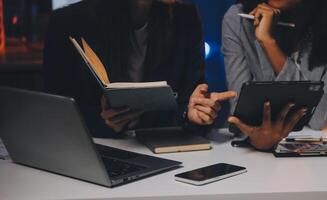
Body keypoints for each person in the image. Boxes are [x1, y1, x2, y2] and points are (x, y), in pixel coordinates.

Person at [44, 0, 236, 138]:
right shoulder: (69, 22)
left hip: (159, 154)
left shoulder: (185, 18)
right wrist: (102, 122)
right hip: (94, 151)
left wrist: (193, 114)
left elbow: (188, 100)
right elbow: (56, 111)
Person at [222, 0, 327, 150]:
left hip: (316, 158)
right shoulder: (239, 19)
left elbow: (322, 116)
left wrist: (269, 43)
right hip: (253, 156)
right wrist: (258, 139)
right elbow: (240, 115)